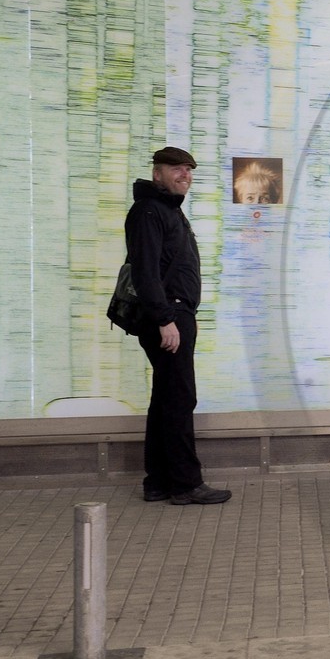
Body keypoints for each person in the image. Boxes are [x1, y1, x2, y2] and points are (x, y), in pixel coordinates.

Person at [126, 146, 231, 506]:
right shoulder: (149, 211)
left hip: (173, 314)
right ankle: (186, 484)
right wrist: (165, 319)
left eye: (189, 170)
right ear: (157, 173)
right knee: (180, 397)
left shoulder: (167, 210)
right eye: (177, 169)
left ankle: (158, 481)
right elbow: (145, 271)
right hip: (167, 317)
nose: (185, 175)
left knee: (166, 398)